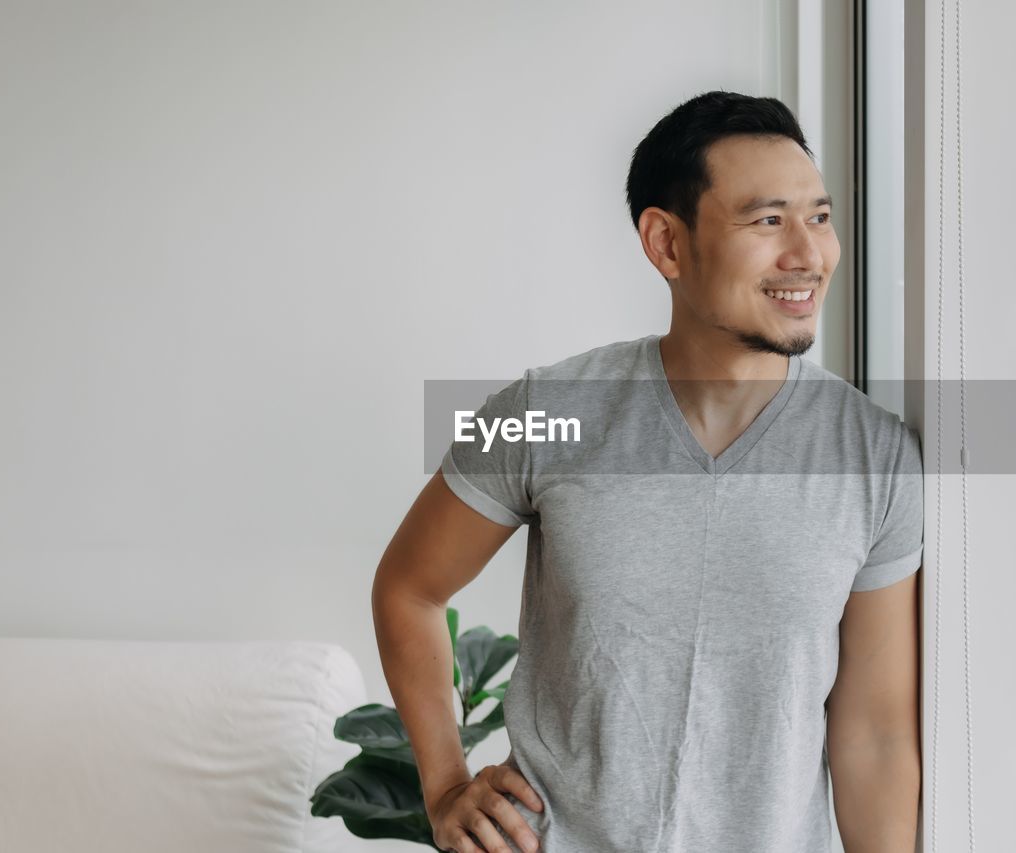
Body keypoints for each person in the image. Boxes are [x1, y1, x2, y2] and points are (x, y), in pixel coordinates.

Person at [372, 90, 923, 853]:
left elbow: (875, 735)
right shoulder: (550, 411)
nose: (808, 254)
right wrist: (442, 784)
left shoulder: (876, 456)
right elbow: (408, 587)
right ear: (667, 243)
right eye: (768, 220)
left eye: (819, 217)